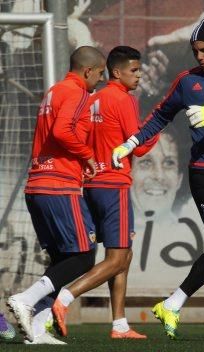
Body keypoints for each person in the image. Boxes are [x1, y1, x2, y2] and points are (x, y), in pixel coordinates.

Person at [112, 18, 204, 341]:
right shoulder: (186, 82)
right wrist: (131, 143)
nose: (200, 57)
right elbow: (161, 114)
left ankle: (173, 303)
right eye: (195, 51)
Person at [50, 46, 158, 339]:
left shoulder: (92, 98)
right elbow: (141, 144)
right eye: (134, 70)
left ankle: (119, 324)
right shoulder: (122, 99)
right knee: (117, 258)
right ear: (116, 72)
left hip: (91, 184)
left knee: (122, 253)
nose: (138, 75)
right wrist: (158, 125)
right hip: (114, 184)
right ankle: (65, 298)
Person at [6, 46, 105, 344]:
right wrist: (87, 155)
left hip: (37, 185)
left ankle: (36, 328)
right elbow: (63, 132)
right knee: (85, 255)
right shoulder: (77, 92)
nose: (100, 80)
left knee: (62, 257)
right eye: (100, 73)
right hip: (58, 185)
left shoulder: (54, 91)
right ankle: (25, 299)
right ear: (87, 70)